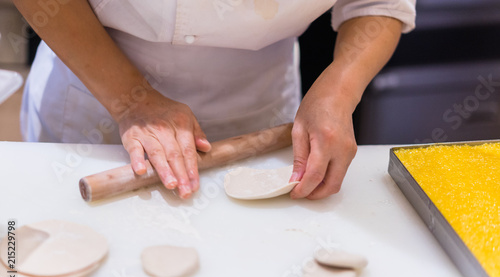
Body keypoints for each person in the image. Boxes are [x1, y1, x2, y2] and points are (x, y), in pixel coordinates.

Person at [14, 0, 415, 200]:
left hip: (259, 107)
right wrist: (128, 100)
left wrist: (340, 88)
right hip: (94, 93)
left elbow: (377, 3)